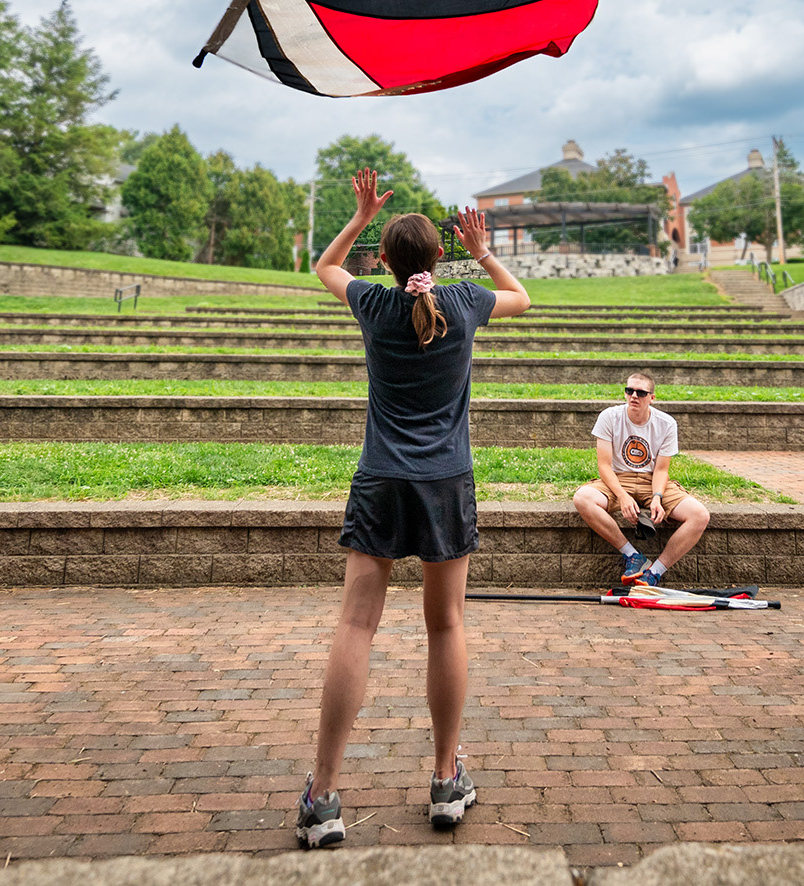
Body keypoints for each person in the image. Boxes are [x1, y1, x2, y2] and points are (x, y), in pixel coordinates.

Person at [295, 169, 531, 849]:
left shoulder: (372, 302)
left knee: (356, 625)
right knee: (446, 626)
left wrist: (362, 215)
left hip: (380, 480)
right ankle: (444, 779)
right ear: (436, 258)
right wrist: (481, 249)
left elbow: (324, 266)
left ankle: (323, 795)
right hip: (445, 481)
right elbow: (524, 296)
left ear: (389, 263)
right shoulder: (464, 302)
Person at [570, 371, 711, 587]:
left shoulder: (666, 423)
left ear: (652, 398)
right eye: (629, 391)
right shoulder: (609, 417)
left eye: (641, 392)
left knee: (700, 515)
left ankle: (654, 572)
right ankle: (633, 556)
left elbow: (662, 470)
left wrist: (657, 497)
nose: (634, 396)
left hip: (651, 479)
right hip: (618, 478)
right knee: (582, 498)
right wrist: (623, 496)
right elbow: (604, 466)